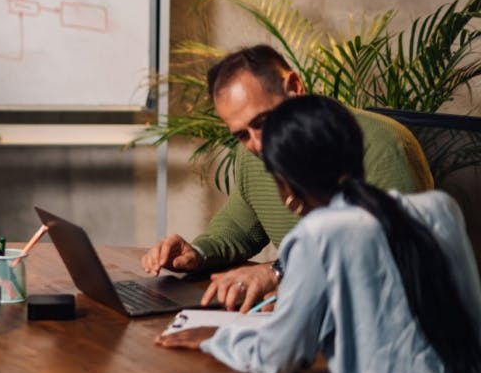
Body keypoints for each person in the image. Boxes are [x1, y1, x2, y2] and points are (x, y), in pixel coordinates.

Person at [156, 95, 481, 373]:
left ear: (285, 186)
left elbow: (278, 359)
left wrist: (216, 338)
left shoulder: (318, 233)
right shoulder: (441, 208)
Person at [141, 45, 433, 311]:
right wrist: (197, 253)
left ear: (294, 87)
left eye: (262, 122)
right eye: (242, 134)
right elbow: (237, 228)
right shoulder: (251, 154)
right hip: (313, 311)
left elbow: (386, 252)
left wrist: (278, 271)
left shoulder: (381, 142)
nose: (256, 144)